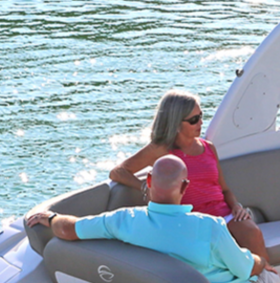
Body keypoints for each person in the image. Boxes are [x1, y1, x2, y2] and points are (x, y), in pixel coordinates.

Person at [29, 156, 280, 283]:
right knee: (279, 280)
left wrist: (49, 217)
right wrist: (261, 263)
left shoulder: (123, 220)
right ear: (185, 186)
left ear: (148, 182)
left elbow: (69, 229)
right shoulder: (210, 227)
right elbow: (244, 270)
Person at [109, 90, 271, 263]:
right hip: (191, 221)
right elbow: (118, 172)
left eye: (201, 116)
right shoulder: (160, 150)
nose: (201, 123)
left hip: (224, 216)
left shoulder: (208, 147)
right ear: (176, 123)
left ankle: (270, 279)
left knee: (252, 233)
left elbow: (223, 189)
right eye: (194, 120)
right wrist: (144, 187)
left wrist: (237, 206)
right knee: (218, 253)